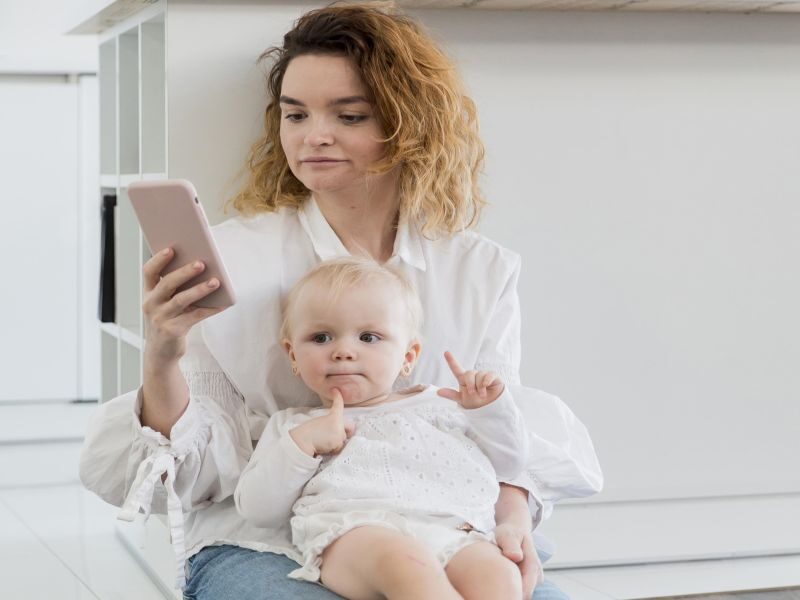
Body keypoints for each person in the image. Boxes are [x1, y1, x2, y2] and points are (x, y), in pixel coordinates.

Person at [79, 3, 603, 599]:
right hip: (264, 538)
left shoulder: (478, 269)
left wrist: (511, 520)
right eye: (295, 114)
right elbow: (200, 471)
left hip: (449, 528)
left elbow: (498, 431)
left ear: (408, 123)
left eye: (348, 115)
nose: (314, 136)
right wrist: (163, 354)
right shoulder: (232, 259)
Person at [235, 257, 533, 599]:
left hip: (453, 529)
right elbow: (257, 510)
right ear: (292, 355)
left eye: (368, 337)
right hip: (355, 534)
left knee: (498, 575)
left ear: (408, 356)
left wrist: (489, 411)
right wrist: (303, 446)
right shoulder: (297, 426)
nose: (343, 351)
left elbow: (510, 464)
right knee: (405, 563)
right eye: (321, 337)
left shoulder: (444, 406)